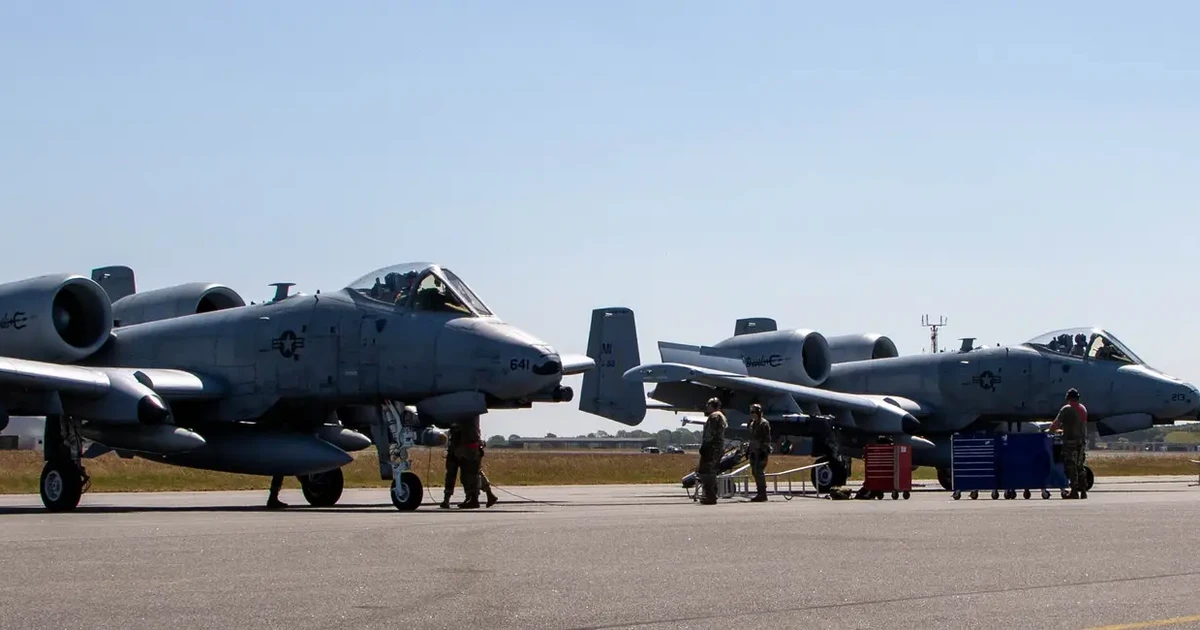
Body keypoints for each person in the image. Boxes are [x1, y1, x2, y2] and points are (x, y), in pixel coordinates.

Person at [440, 421, 499, 509]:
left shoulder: (464, 418)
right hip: (463, 446)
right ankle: (478, 496)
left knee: (466, 475)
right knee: (471, 473)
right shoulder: (468, 418)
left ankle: (472, 499)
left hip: (464, 447)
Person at [1050, 388, 1088, 499]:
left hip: (1070, 442)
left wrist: (1050, 431)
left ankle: (1074, 491)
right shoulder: (1083, 409)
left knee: (1070, 466)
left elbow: (1055, 425)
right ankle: (1083, 491)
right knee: (1080, 466)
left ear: (1068, 398)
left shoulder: (1066, 409)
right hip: (1081, 442)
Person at [696, 397, 728, 505]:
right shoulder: (721, 416)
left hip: (711, 448)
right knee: (712, 471)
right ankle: (711, 494)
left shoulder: (714, 416)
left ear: (713, 405)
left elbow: (710, 433)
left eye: (708, 404)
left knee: (706, 471)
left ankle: (710, 495)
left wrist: (705, 446)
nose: (706, 406)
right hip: (717, 448)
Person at [746, 403, 771, 502]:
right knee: (754, 472)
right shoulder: (753, 424)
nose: (752, 414)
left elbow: (767, 439)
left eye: (753, 412)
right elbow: (751, 438)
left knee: (759, 472)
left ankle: (762, 494)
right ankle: (759, 492)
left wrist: (763, 450)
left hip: (760, 451)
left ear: (758, 413)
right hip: (753, 451)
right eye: (751, 412)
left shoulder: (763, 423)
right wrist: (748, 450)